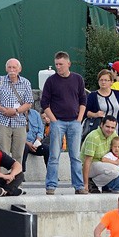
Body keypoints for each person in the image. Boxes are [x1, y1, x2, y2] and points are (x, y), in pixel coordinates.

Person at [40, 51, 86, 195]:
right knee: (54, 155)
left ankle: (78, 186)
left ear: (68, 64)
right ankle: (51, 185)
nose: (58, 67)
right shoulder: (51, 81)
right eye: (56, 64)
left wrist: (79, 119)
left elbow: (83, 100)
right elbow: (44, 103)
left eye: (61, 64)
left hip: (74, 121)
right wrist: (53, 120)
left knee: (75, 156)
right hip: (58, 121)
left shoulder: (78, 79)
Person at [0, 58, 34, 161]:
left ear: (19, 69)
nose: (12, 70)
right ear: (6, 69)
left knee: (18, 154)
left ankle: (16, 175)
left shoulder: (26, 83)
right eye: (9, 67)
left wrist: (15, 111)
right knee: (2, 153)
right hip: (3, 122)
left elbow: (28, 103)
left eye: (14, 67)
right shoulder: (0, 80)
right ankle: (3, 176)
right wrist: (4, 110)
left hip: (19, 122)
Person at [81, 115, 119, 194]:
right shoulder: (93, 137)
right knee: (115, 170)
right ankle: (93, 182)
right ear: (101, 125)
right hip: (93, 164)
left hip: (107, 160)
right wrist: (85, 184)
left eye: (112, 127)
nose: (110, 130)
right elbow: (87, 161)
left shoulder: (113, 133)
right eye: (107, 126)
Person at [85, 69, 119, 137]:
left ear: (111, 82)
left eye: (106, 80)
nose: (103, 82)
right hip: (99, 131)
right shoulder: (93, 96)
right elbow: (85, 112)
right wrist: (95, 114)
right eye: (101, 80)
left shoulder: (117, 94)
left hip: (115, 131)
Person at [23, 108, 49, 174]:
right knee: (24, 148)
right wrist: (28, 143)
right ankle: (21, 173)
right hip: (24, 143)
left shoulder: (35, 114)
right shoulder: (18, 114)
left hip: (35, 143)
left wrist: (37, 141)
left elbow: (41, 130)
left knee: (47, 149)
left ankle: (51, 173)